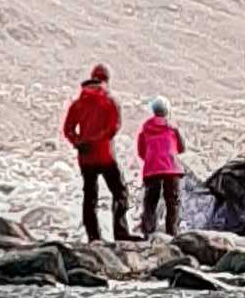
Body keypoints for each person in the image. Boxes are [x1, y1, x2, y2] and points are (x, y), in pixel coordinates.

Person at [61, 60, 129, 240]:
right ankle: (120, 233)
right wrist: (97, 140)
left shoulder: (78, 103)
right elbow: (114, 127)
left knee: (90, 197)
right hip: (105, 155)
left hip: (85, 158)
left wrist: (79, 142)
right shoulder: (110, 101)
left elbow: (68, 128)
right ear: (106, 79)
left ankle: (94, 237)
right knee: (120, 193)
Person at [135, 98, 185, 237]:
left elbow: (141, 150)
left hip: (152, 169)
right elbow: (181, 148)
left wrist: (152, 159)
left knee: (150, 202)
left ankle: (148, 234)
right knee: (173, 202)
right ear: (167, 111)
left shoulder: (145, 128)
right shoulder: (173, 128)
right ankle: (172, 233)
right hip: (171, 168)